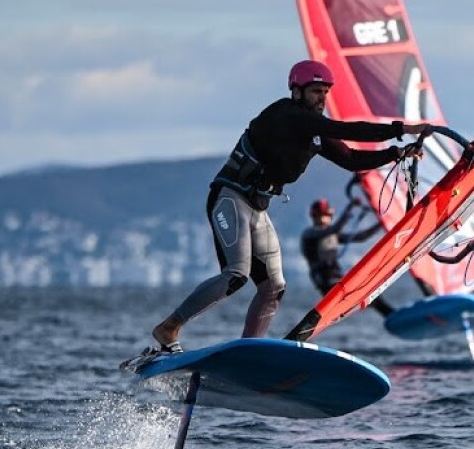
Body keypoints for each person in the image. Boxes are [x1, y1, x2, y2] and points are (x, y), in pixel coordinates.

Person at [148, 59, 429, 353]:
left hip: (257, 208)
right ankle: (169, 328)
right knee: (236, 274)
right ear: (297, 92)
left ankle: (248, 353)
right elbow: (348, 129)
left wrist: (397, 153)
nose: (321, 97)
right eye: (315, 91)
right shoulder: (287, 114)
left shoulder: (316, 131)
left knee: (273, 287)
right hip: (230, 197)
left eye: (325, 92)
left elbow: (352, 160)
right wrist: (403, 128)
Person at [300, 197, 396, 317]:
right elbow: (335, 228)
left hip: (337, 276)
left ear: (330, 216)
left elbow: (362, 237)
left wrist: (382, 223)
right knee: (355, 295)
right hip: (324, 280)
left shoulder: (332, 234)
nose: (322, 219)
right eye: (318, 216)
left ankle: (392, 315)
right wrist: (350, 208)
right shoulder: (310, 234)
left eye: (325, 215)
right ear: (313, 217)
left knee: (370, 292)